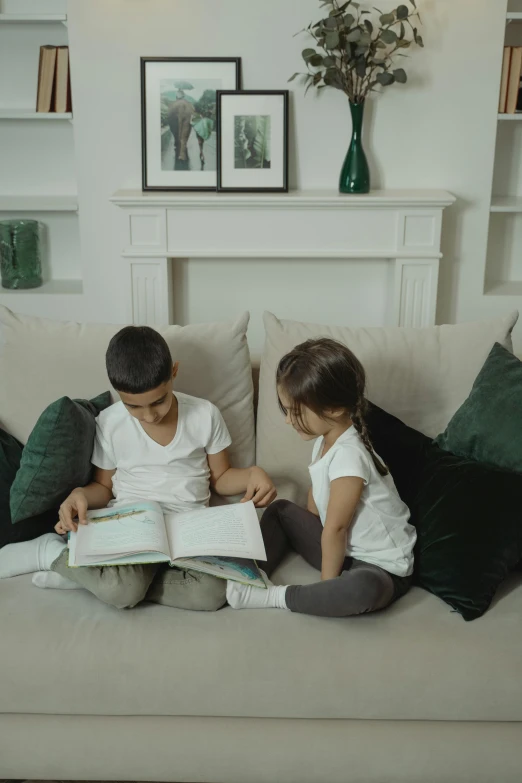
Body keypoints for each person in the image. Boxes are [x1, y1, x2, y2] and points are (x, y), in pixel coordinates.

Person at [0, 326, 276, 611]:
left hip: (188, 528)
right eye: (134, 406)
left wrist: (252, 474)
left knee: (210, 595)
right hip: (134, 524)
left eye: (159, 401)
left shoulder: (205, 415)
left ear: (174, 372)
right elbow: (104, 488)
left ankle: (94, 580)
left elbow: (221, 478)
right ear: (118, 392)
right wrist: (79, 495)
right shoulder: (109, 423)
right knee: (123, 591)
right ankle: (51, 554)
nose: (150, 415)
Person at [227, 338, 416, 618]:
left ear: (334, 409)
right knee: (280, 510)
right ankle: (250, 574)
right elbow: (318, 501)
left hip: (381, 566)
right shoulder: (324, 440)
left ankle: (275, 596)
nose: (288, 420)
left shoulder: (350, 456)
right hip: (345, 549)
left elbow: (336, 529)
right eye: (286, 410)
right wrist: (306, 528)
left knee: (361, 589)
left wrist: (329, 590)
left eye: (295, 411)